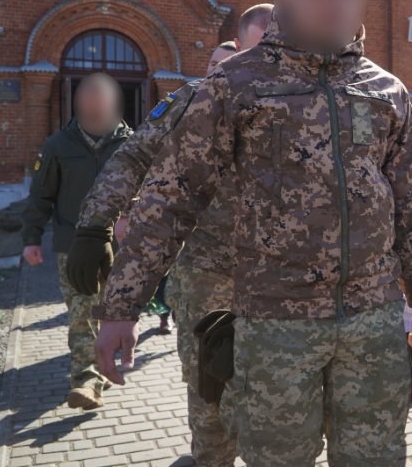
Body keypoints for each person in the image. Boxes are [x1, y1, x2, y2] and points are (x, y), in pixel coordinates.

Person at [92, 0, 412, 467]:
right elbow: (171, 197)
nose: (336, 3)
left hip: (372, 322)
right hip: (277, 325)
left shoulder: (387, 92)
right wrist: (122, 307)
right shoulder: (236, 84)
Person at [68, 36, 266, 465]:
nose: (220, 73)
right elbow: (136, 158)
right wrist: (96, 225)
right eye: (214, 64)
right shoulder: (193, 99)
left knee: (274, 398)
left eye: (229, 63)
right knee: (208, 384)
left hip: (281, 284)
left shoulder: (299, 100)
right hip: (207, 275)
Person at [20, 72, 131, 410]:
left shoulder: (133, 144)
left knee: (112, 312)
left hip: (120, 248)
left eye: (101, 102)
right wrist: (32, 238)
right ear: (77, 103)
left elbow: (151, 192)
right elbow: (40, 196)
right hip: (73, 245)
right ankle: (86, 380)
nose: (94, 109)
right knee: (82, 312)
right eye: (88, 101)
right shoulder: (58, 146)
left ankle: (103, 365)